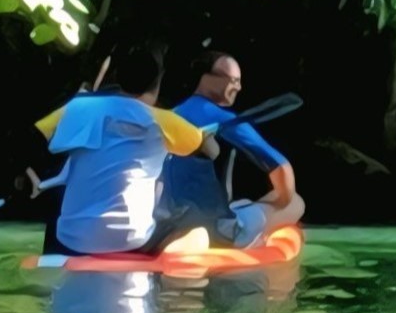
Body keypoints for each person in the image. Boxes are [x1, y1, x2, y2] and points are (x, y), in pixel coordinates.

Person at [21, 50, 217, 256]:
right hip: (131, 240)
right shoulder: (164, 120)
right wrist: (202, 135)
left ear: (119, 79)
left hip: (70, 239)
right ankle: (163, 255)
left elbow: (29, 139)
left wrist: (28, 175)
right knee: (198, 229)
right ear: (157, 85)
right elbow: (212, 152)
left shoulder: (76, 107)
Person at [162, 49, 305, 246]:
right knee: (295, 202)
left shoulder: (171, 115)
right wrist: (280, 203)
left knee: (241, 204)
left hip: (170, 225)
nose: (239, 87)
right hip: (219, 232)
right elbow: (281, 167)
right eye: (233, 80)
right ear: (205, 78)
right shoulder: (223, 119)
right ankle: (256, 236)